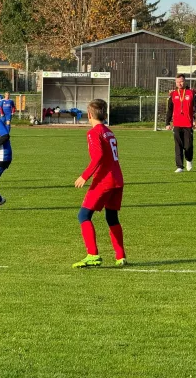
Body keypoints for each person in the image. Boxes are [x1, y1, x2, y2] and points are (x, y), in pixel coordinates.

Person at [72, 99, 126, 268]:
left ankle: (92, 255)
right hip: (117, 179)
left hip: (104, 180)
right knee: (111, 217)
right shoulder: (109, 132)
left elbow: (99, 156)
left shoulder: (93, 133)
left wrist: (84, 176)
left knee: (83, 215)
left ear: (89, 115)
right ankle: (120, 256)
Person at [165, 73, 196, 173]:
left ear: (185, 81)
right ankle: (179, 166)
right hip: (177, 124)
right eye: (177, 82)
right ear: (175, 83)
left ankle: (189, 160)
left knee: (188, 145)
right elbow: (169, 110)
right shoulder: (173, 94)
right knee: (178, 145)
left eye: (181, 81)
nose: (179, 84)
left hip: (188, 124)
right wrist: (167, 123)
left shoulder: (191, 93)